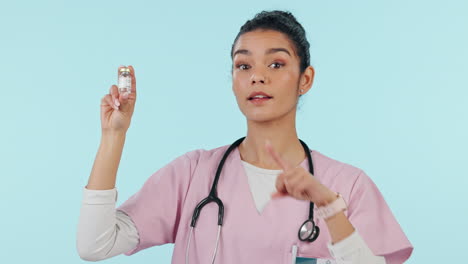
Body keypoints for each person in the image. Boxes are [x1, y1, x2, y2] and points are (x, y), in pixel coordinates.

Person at [77, 10, 413, 264]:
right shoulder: (193, 173)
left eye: (277, 64)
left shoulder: (347, 185)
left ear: (305, 79)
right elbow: (94, 245)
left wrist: (329, 208)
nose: (258, 78)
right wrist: (113, 136)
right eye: (244, 66)